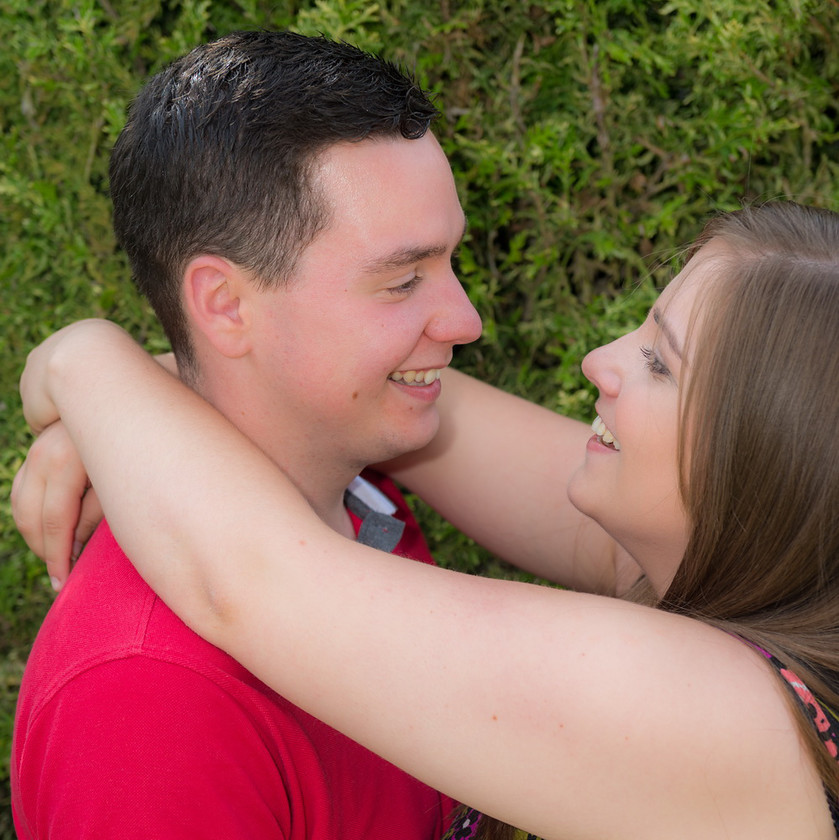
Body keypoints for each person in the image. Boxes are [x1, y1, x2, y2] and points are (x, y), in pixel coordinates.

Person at [13, 201, 839, 839]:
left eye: (658, 361)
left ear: (763, 459)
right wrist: (178, 389)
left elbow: (257, 581)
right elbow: (359, 398)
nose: (601, 362)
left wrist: (84, 359)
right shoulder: (776, 587)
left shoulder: (723, 724)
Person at [9, 29, 498, 840]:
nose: (464, 320)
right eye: (403, 279)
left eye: (451, 263)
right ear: (226, 305)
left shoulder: (361, 498)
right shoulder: (147, 699)